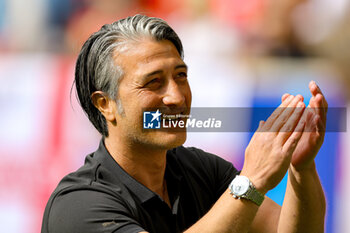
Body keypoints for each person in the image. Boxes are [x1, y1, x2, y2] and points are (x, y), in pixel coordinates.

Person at [41, 14, 327, 233]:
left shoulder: (204, 171)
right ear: (106, 104)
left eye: (180, 76)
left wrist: (301, 169)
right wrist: (251, 182)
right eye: (154, 82)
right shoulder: (77, 204)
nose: (176, 97)